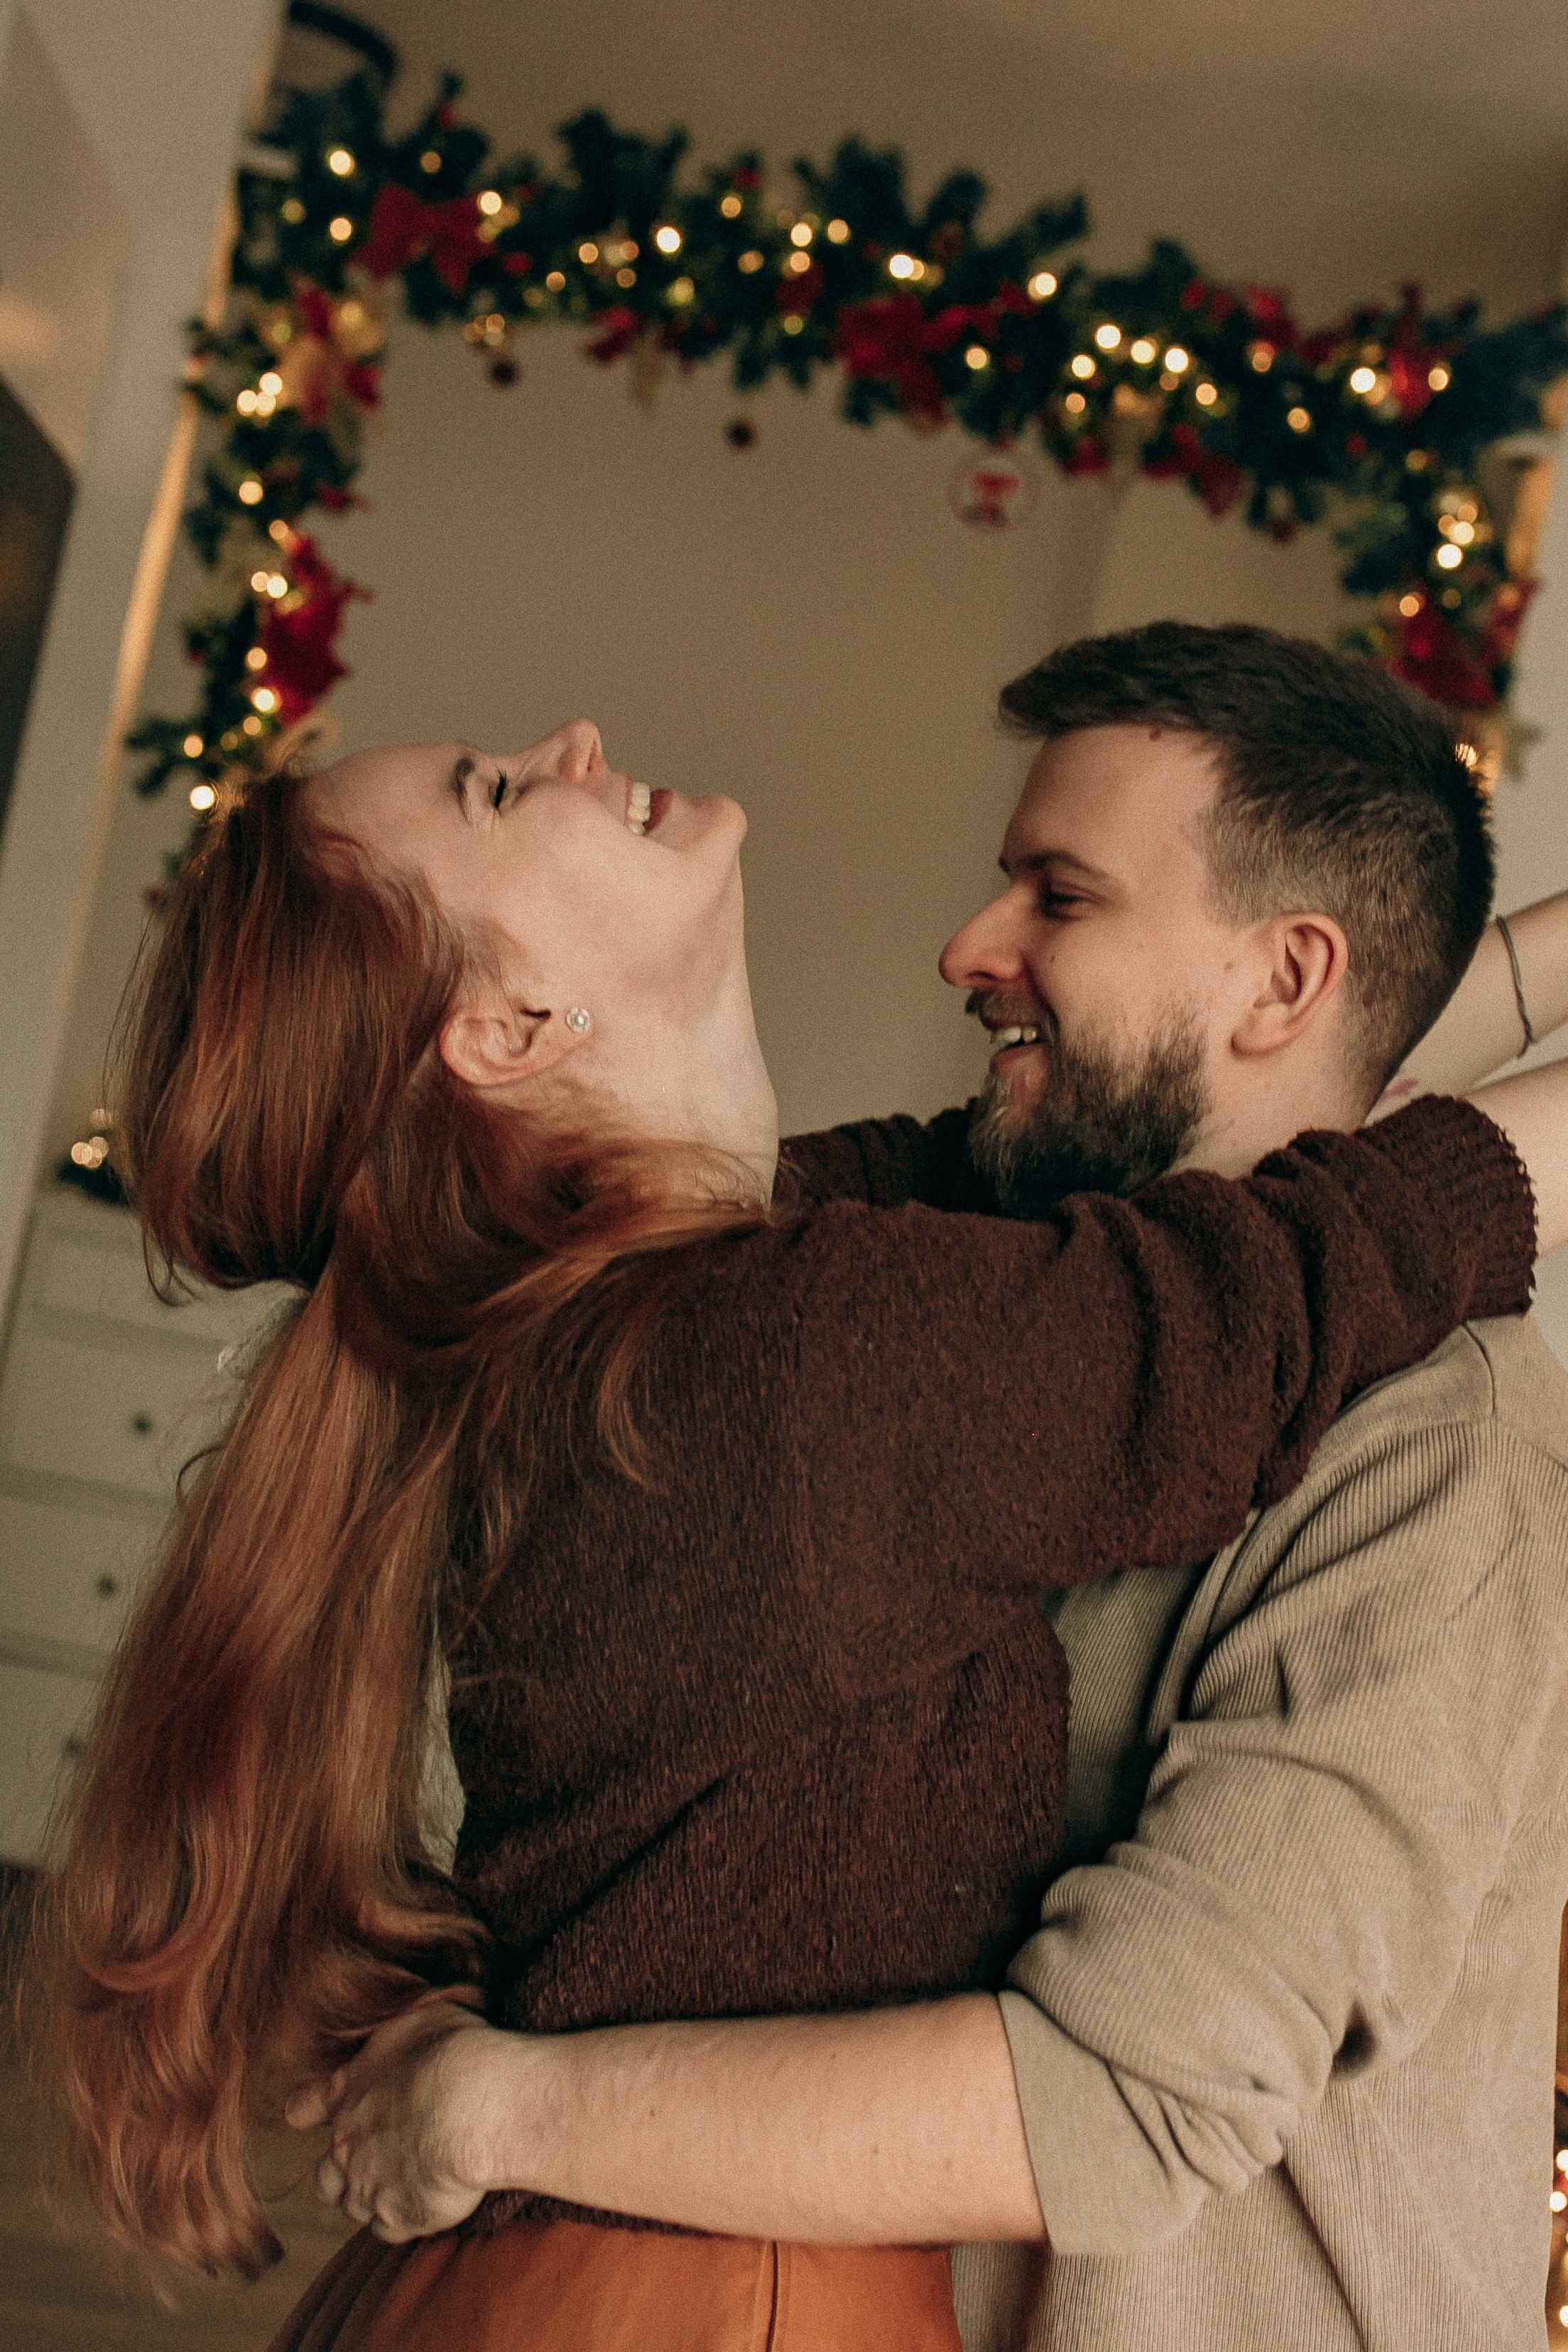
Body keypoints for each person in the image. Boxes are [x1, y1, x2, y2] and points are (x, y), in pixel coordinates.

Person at [28, 631, 1562, 2352]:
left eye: (1057, 895)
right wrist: (495, 2106)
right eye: (493, 789)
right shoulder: (819, 1339)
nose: (966, 951)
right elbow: (1345, 1220)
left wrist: (496, 2109)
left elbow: (1332, 1153)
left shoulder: (724, 1295)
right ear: (511, 1023)